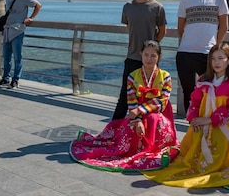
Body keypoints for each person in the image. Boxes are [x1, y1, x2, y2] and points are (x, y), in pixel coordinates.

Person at [143, 42, 229, 188]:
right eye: (213, 59)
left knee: (218, 155)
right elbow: (194, 101)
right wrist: (194, 118)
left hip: (224, 127)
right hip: (200, 123)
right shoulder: (203, 80)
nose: (217, 62)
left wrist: (209, 120)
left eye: (221, 58)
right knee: (189, 156)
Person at [70, 40, 177, 171]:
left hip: (158, 112)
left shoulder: (165, 76)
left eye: (153, 55)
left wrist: (140, 110)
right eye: (146, 54)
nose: (149, 59)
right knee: (130, 132)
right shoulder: (132, 76)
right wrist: (137, 120)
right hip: (136, 113)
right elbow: (131, 100)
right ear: (140, 54)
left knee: (153, 119)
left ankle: (154, 149)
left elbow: (163, 100)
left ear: (159, 57)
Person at [175, 0, 229, 114]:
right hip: (185, 53)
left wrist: (215, 49)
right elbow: (181, 28)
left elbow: (224, 26)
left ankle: (210, 125)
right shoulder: (185, 0)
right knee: (189, 93)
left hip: (207, 55)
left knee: (212, 91)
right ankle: (192, 127)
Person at [111, 0, 167, 120]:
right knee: (125, 95)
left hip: (150, 60)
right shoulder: (128, 7)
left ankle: (150, 129)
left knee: (150, 95)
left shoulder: (157, 7)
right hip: (132, 56)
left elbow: (162, 31)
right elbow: (129, 28)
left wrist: (151, 50)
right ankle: (115, 128)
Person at [0, 0, 41, 89]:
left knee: (17, 57)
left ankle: (15, 80)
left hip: (18, 31)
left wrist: (31, 18)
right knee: (6, 57)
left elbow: (38, 5)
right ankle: (5, 78)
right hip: (7, 30)